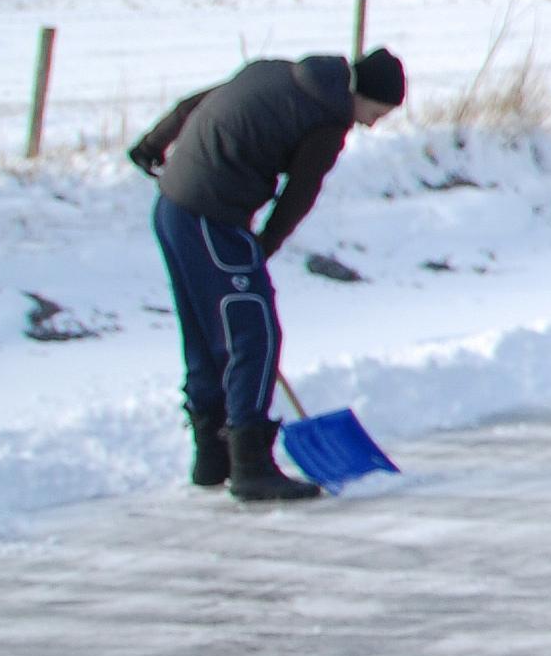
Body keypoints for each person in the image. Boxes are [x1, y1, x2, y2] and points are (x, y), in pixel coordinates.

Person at [128, 48, 405, 503]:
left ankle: (212, 458)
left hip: (172, 208)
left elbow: (195, 103)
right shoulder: (327, 120)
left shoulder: (276, 72)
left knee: (203, 333)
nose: (371, 125)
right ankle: (251, 466)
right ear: (359, 94)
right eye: (375, 113)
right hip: (212, 216)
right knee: (254, 336)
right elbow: (299, 195)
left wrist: (152, 144)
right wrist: (262, 250)